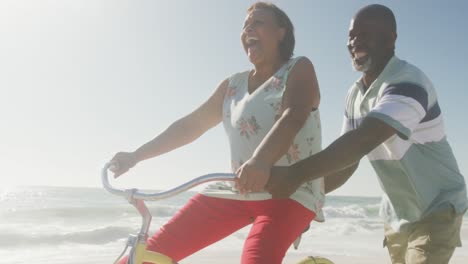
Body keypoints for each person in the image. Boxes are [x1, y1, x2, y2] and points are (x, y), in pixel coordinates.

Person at [110, 2, 325, 264]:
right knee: (149, 255)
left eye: (257, 23)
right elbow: (191, 126)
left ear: (281, 32)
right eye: (245, 26)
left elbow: (295, 114)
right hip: (238, 188)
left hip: (289, 190)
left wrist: (261, 161)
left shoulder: (298, 68)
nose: (248, 29)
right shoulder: (232, 85)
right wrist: (135, 156)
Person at [262, 4, 468, 264]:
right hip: (396, 214)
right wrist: (307, 200)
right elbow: (347, 163)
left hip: (438, 207)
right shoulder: (355, 95)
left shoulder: (408, 83)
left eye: (366, 33)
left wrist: (295, 175)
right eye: (351, 35)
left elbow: (363, 140)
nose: (355, 41)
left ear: (391, 38)